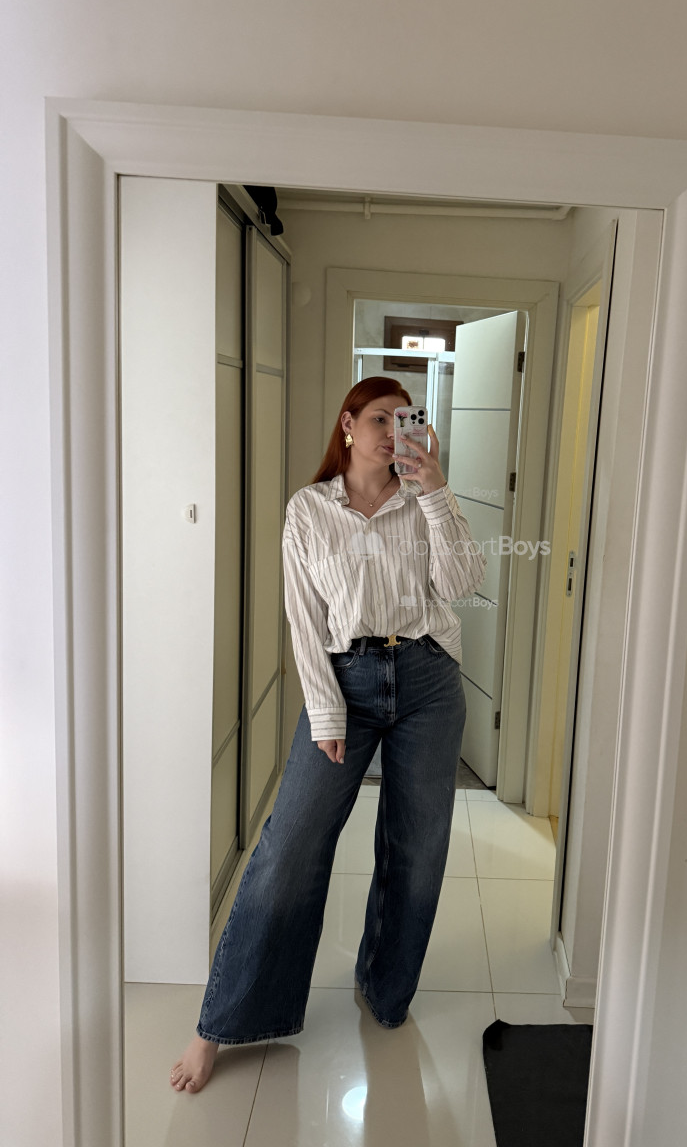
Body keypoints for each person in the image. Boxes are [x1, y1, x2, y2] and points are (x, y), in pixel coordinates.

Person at [170, 376, 486, 1093]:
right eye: (380, 418)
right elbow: (303, 618)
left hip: (429, 682)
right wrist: (327, 711)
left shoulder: (424, 500)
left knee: (417, 848)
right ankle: (223, 1022)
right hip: (345, 679)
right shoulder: (309, 510)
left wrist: (435, 488)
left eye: (406, 419)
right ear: (347, 424)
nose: (393, 431)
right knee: (290, 846)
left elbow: (463, 583)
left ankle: (385, 987)